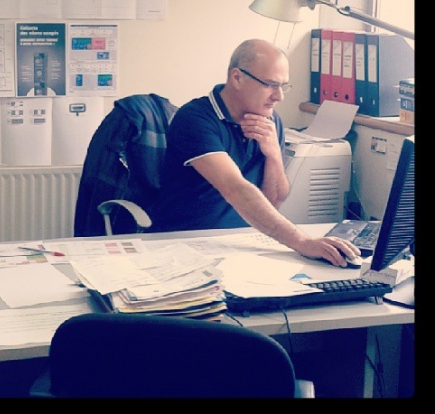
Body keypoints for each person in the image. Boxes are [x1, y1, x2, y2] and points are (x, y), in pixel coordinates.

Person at [149, 38, 360, 267]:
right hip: (185, 243)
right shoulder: (195, 119)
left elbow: (273, 200)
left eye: (283, 86)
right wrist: (302, 241)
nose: (279, 96)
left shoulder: (270, 120)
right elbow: (235, 188)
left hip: (242, 242)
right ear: (237, 78)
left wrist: (274, 155)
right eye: (270, 85)